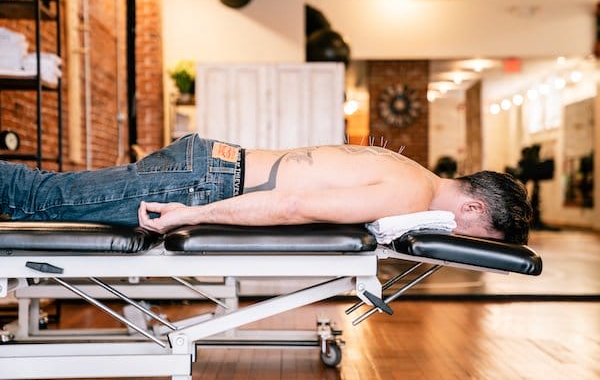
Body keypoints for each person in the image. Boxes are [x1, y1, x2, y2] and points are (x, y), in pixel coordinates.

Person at [0, 134, 532, 244]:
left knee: (43, 194)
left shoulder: (407, 169)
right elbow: (293, 203)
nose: (465, 240)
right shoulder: (411, 195)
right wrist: (190, 215)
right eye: (477, 234)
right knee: (39, 196)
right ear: (472, 205)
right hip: (206, 181)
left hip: (210, 166)